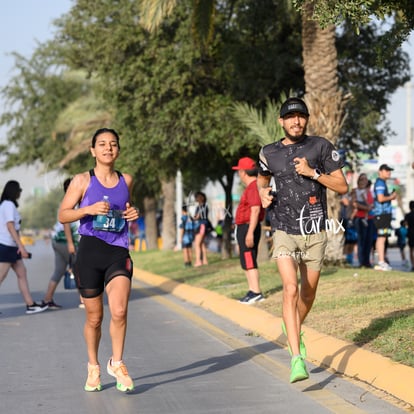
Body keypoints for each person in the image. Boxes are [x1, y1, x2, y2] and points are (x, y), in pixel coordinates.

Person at [257, 97, 347, 383]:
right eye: (290, 117)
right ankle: (297, 358)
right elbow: (261, 181)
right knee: (290, 289)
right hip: (283, 228)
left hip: (314, 229)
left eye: (301, 116)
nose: (296, 121)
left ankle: (295, 328)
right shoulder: (268, 152)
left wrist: (314, 173)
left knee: (307, 294)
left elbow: (342, 187)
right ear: (281, 121)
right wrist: (262, 194)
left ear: (306, 120)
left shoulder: (321, 147)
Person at [58, 128, 139, 392]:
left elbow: (127, 208)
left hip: (118, 251)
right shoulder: (82, 180)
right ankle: (93, 366)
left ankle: (117, 362)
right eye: (102, 144)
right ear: (93, 150)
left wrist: (132, 213)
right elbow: (63, 215)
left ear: (118, 149)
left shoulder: (126, 180)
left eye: (113, 144)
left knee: (119, 311)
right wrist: (88, 209)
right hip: (90, 253)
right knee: (95, 317)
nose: (108, 148)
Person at [0, 180, 48, 314]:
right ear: (13, 191)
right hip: (6, 245)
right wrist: (21, 247)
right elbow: (10, 226)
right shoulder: (8, 205)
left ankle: (30, 304)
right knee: (1, 276)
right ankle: (30, 304)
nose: (20, 193)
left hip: (10, 246)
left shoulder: (5, 205)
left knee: (22, 273)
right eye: (19, 190)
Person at [41, 178, 80, 309]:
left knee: (59, 271)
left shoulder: (69, 201)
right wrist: (70, 243)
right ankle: (85, 300)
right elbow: (67, 224)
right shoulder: (70, 201)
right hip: (65, 242)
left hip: (58, 242)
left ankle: (47, 299)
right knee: (80, 270)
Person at [232, 157, 266, 304]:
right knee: (246, 260)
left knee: (249, 259)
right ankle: (252, 290)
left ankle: (256, 292)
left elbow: (255, 209)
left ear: (243, 172)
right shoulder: (252, 186)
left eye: (239, 171)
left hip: (248, 226)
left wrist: (250, 232)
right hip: (245, 227)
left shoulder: (253, 187)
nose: (238, 174)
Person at [373, 164, 397, 271]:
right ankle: (381, 262)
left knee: (383, 237)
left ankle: (382, 261)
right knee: (381, 238)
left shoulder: (382, 182)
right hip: (381, 214)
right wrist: (391, 197)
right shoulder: (380, 183)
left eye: (389, 170)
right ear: (380, 171)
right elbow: (380, 198)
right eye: (386, 170)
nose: (389, 172)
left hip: (384, 215)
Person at [352, 173, 375, 268]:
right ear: (358, 181)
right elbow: (355, 204)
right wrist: (367, 208)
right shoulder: (355, 191)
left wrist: (369, 207)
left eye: (365, 179)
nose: (363, 181)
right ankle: (362, 262)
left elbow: (373, 203)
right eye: (361, 179)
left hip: (369, 218)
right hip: (360, 218)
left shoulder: (369, 191)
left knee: (368, 241)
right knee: (361, 240)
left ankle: (367, 262)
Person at [193, 191, 209, 267]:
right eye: (197, 197)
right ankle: (205, 260)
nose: (197, 198)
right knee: (202, 244)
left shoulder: (202, 206)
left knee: (197, 244)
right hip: (202, 225)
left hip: (201, 226)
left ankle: (198, 261)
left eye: (199, 196)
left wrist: (194, 217)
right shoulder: (200, 207)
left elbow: (197, 217)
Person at [405, 201, 414, 271]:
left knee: (411, 250)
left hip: (410, 233)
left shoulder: (407, 215)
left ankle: (413, 264)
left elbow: (406, 224)